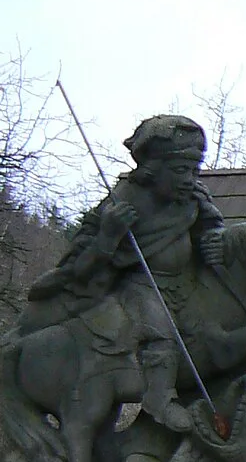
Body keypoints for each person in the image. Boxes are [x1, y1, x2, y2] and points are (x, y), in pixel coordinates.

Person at [17, 115, 228, 432]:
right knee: (161, 327)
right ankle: (160, 398)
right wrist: (109, 236)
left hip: (186, 286)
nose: (190, 179)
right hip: (140, 287)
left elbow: (211, 230)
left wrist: (214, 243)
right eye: (180, 170)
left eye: (195, 170)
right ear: (153, 169)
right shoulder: (123, 199)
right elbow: (80, 258)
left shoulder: (194, 199)